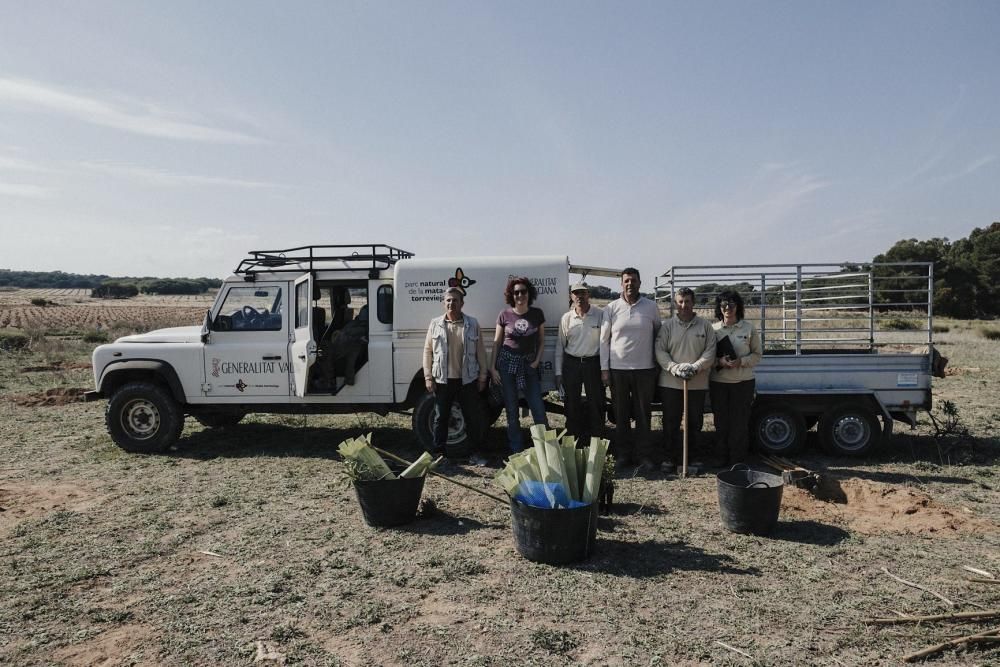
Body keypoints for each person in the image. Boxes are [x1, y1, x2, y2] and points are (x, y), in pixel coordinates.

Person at [600, 268, 661, 468]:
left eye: (633, 280)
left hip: (645, 370)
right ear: (621, 284)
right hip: (618, 370)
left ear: (639, 283)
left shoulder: (651, 307)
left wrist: (658, 365)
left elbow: (659, 336)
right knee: (621, 415)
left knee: (644, 415)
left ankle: (644, 456)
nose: (630, 284)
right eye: (626, 280)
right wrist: (605, 369)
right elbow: (604, 341)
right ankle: (623, 455)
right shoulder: (611, 308)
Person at [655, 287, 716, 473]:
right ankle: (669, 457)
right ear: (675, 303)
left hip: (696, 383)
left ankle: (693, 457)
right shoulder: (667, 326)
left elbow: (710, 351)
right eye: (680, 301)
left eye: (687, 301)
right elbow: (660, 351)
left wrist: (695, 367)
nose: (684, 305)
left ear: (693, 302)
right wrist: (674, 368)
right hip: (670, 383)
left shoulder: (705, 326)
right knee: (670, 422)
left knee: (694, 422)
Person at [423, 288, 488, 460]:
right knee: (440, 418)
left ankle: (474, 453)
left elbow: (480, 351)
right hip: (443, 380)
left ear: (462, 303)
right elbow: (427, 351)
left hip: (467, 380)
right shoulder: (435, 323)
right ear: (444, 303)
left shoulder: (472, 324)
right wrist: (428, 377)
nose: (451, 303)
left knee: (472, 417)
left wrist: (482, 376)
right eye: (448, 300)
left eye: (455, 300)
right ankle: (439, 454)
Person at [490, 277, 548, 453]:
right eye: (516, 292)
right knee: (512, 411)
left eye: (523, 291)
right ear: (511, 295)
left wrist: (536, 362)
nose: (520, 295)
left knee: (538, 409)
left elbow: (541, 341)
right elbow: (497, 343)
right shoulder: (504, 315)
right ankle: (517, 450)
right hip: (507, 365)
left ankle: (545, 449)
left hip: (528, 366)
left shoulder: (537, 314)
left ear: (529, 293)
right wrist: (492, 368)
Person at [710, 290, 762, 466]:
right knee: (721, 423)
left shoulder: (748, 328)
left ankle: (738, 460)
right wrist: (719, 361)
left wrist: (741, 361)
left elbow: (757, 355)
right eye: (724, 305)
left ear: (738, 307)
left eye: (731, 305)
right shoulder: (712, 329)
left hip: (743, 384)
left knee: (739, 424)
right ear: (719, 308)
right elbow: (706, 356)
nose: (727, 308)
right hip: (719, 384)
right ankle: (720, 457)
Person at [555, 282, 606, 446]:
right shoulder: (567, 318)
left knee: (596, 404)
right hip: (572, 364)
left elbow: (606, 343)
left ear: (588, 294)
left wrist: (605, 368)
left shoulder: (600, 314)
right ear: (571, 296)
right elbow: (559, 347)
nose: (579, 296)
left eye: (583, 293)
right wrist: (558, 373)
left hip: (593, 363)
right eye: (576, 293)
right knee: (571, 405)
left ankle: (597, 443)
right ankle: (572, 443)